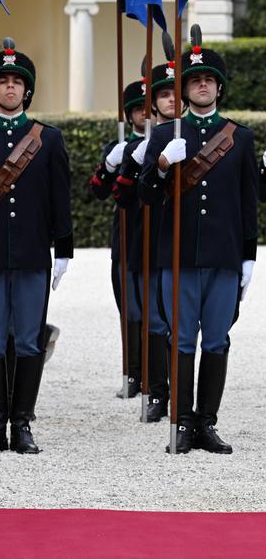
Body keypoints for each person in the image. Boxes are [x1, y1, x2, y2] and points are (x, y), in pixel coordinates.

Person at [138, 29, 257, 453]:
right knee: (182, 338)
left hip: (224, 256)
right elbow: (145, 197)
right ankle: (183, 422)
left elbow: (249, 204)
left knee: (219, 339)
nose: (201, 84)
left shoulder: (239, 138)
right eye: (194, 80)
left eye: (208, 79)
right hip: (179, 254)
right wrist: (164, 164)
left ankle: (207, 422)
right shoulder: (164, 134)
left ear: (219, 87)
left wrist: (248, 257)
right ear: (185, 89)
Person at [0, 39, 73, 455]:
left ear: (27, 91)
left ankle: (22, 424)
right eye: (2, 81)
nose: (10, 88)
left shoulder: (49, 139)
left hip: (30, 255)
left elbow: (61, 198)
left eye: (16, 82)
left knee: (27, 340)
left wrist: (65, 250)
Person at [113, 64, 179, 421]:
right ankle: (157, 392)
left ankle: (184, 399)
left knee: (182, 324)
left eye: (174, 93)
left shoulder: (201, 133)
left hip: (187, 242)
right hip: (148, 241)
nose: (170, 99)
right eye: (163, 94)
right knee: (154, 321)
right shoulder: (148, 142)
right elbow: (122, 197)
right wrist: (132, 164)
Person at [88, 78, 147, 399]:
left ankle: (155, 376)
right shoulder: (117, 146)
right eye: (137, 109)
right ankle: (134, 373)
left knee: (157, 311)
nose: (142, 114)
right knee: (130, 310)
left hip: (156, 236)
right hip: (126, 236)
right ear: (128, 114)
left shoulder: (167, 140)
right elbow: (97, 190)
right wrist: (112, 162)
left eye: (146, 108)